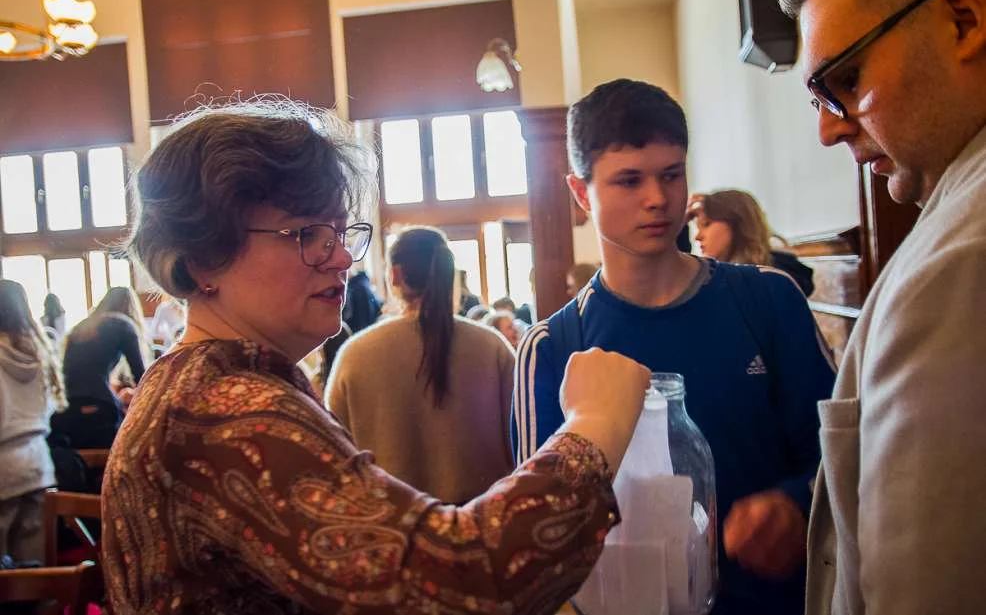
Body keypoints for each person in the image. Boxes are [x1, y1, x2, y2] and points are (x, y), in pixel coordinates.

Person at [101, 100, 654, 613]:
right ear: (203, 258)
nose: (341, 256)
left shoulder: (212, 385)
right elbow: (463, 581)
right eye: (308, 233)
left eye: (342, 232)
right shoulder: (221, 408)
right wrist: (593, 426)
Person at [512, 79, 837, 615]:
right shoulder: (552, 347)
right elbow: (536, 531)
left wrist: (795, 504)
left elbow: (838, 450)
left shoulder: (766, 300)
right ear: (580, 192)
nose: (657, 199)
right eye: (629, 180)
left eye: (671, 175)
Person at [778, 0, 986, 613]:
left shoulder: (955, 263)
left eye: (847, 79)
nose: (828, 127)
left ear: (963, 19)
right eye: (820, 98)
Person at [328, 227, 515, 505]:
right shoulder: (493, 347)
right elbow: (523, 442)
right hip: (486, 527)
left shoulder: (354, 355)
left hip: (393, 532)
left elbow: (334, 459)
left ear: (395, 275)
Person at [0, 280, 67, 564]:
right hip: (39, 461)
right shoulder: (40, 352)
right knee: (34, 563)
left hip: (3, 463)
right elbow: (50, 406)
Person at [51, 287, 148, 449]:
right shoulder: (123, 324)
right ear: (131, 307)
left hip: (64, 413)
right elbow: (142, 377)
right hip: (99, 411)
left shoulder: (80, 327)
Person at [690, 189, 816, 296]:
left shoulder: (774, 280)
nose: (697, 236)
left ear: (737, 224)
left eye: (706, 224)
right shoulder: (721, 277)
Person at [341, 266, 381, 333]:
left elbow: (348, 315)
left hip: (358, 331)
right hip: (370, 328)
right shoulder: (365, 284)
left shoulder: (354, 289)